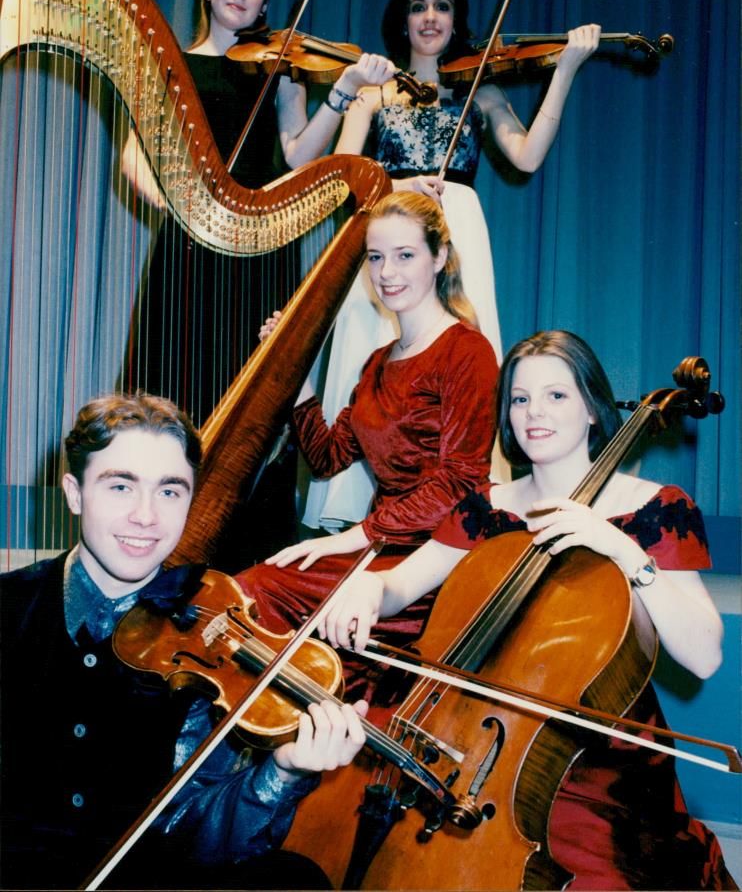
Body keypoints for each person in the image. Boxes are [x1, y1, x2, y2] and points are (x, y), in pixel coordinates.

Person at [317, 329, 737, 890]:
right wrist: (368, 589)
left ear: (593, 409)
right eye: (520, 398)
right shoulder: (487, 508)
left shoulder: (653, 508)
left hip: (591, 759)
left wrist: (623, 550)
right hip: (469, 737)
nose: (534, 412)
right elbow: (398, 586)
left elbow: (705, 656)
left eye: (556, 395)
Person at [0, 392, 370, 891]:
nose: (146, 516)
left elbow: (191, 831)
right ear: (75, 493)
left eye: (170, 492)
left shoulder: (204, 645)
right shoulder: (9, 607)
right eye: (121, 487)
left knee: (293, 880)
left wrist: (284, 771)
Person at [301, 0, 600, 531]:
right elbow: (343, 180)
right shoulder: (372, 94)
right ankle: (359, 511)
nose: (430, 17)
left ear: (457, 18)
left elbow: (527, 155)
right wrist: (397, 186)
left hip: (455, 227)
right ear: (403, 19)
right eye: (418, 6)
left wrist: (563, 71)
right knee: (374, 350)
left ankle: (451, 502)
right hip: (387, 230)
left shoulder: (478, 89)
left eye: (442, 6)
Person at [121, 0, 395, 428]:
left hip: (263, 238)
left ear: (264, 3)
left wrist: (344, 88)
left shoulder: (280, 68)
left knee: (252, 389)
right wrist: (173, 201)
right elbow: (132, 157)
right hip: (191, 238)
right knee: (175, 376)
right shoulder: (173, 64)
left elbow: (298, 155)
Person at [238, 191, 499, 704]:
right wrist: (297, 374)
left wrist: (352, 537)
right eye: (376, 257)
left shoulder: (467, 351)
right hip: (378, 548)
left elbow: (461, 484)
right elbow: (327, 457)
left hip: (435, 560)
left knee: (262, 591)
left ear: (439, 258)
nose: (387, 272)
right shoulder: (378, 362)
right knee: (252, 591)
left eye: (405, 255)